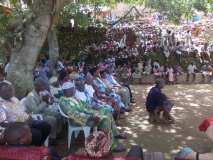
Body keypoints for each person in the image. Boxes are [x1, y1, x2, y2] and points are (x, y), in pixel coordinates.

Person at [59, 81, 126, 152]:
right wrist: (91, 117)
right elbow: (73, 114)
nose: (73, 90)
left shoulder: (73, 98)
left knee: (107, 111)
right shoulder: (63, 101)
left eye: (73, 89)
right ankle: (111, 146)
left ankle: (115, 133)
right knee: (105, 120)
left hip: (89, 114)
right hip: (80, 120)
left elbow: (85, 105)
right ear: (66, 91)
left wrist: (95, 107)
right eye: (72, 89)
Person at [0, 82, 50, 146]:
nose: (11, 91)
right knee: (37, 134)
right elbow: (3, 123)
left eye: (11, 89)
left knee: (46, 126)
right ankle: (33, 148)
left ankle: (38, 146)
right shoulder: (1, 104)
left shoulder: (14, 99)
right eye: (7, 90)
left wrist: (29, 116)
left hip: (28, 121)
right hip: (17, 128)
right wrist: (22, 125)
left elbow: (24, 111)